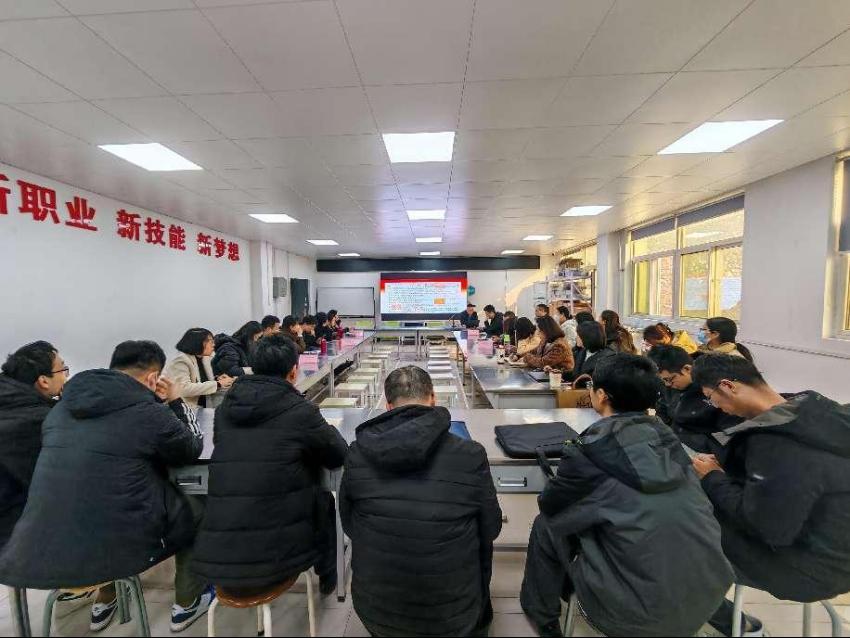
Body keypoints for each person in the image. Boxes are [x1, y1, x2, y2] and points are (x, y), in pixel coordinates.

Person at [0, 341, 210, 633]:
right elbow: (191, 447)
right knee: (198, 508)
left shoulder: (58, 411)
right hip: (113, 548)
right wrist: (175, 401)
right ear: (153, 378)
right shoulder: (147, 412)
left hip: (39, 547)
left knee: (100, 502)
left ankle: (106, 600)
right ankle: (188, 602)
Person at [520, 354, 733, 637]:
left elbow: (551, 505)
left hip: (631, 616)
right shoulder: (669, 440)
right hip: (707, 597)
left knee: (546, 524)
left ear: (601, 395)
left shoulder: (590, 450)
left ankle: (543, 616)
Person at [691, 355, 850, 635]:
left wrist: (713, 478)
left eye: (711, 398)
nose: (716, 407)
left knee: (681, 539)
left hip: (808, 570)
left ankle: (739, 626)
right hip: (837, 554)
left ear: (727, 386)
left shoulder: (776, 444)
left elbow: (766, 528)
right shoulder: (812, 410)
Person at [340, 366, 502, 637]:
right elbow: (491, 528)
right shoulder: (470, 454)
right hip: (453, 615)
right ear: (433, 398)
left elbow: (349, 525)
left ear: (388, 405)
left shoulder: (357, 454)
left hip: (376, 613)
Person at [193, 335, 347, 596]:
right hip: (279, 556)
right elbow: (337, 455)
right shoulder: (299, 410)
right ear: (293, 372)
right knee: (324, 500)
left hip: (220, 557)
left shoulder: (226, 409)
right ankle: (328, 576)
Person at [0, 341, 67, 548]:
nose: (66, 376)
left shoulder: (10, 405)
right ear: (44, 381)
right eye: (63, 369)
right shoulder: (41, 421)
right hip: (13, 537)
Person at [647, 345, 740, 457]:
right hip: (674, 439)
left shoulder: (715, 390)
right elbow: (663, 410)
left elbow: (731, 434)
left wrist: (707, 449)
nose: (667, 384)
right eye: (663, 380)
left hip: (704, 451)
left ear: (687, 369)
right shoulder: (671, 385)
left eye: (669, 379)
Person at [166, 328, 234, 409]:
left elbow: (202, 381)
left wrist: (217, 379)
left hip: (205, 406)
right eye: (210, 341)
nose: (213, 345)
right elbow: (184, 389)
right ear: (198, 342)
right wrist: (218, 384)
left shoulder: (205, 358)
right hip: (187, 409)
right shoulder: (181, 360)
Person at [571, 321, 615, 388]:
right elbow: (576, 373)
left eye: (578, 335)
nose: (576, 338)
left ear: (587, 337)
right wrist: (560, 374)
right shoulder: (583, 351)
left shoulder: (607, 357)